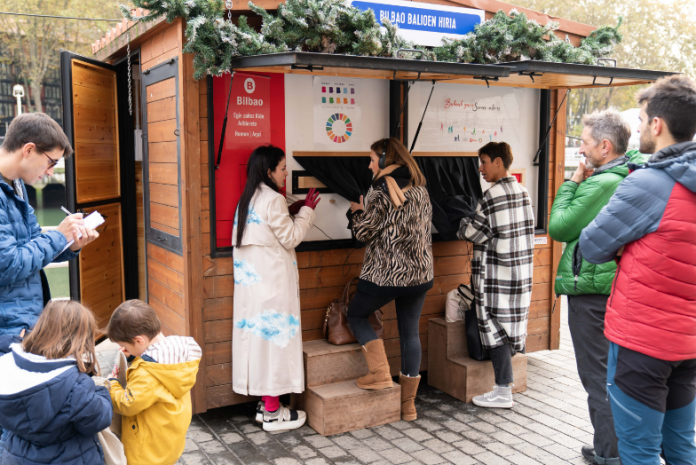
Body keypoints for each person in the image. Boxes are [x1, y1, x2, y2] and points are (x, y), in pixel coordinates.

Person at [580, 75, 696, 465]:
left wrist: (628, 245)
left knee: (639, 452)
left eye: (643, 120)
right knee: (681, 448)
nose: (640, 129)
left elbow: (592, 246)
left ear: (658, 125)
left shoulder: (649, 183)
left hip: (643, 344)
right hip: (688, 343)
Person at [549, 109, 648, 465]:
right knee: (614, 375)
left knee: (597, 378)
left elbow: (559, 227)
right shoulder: (631, 173)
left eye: (585, 143)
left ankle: (610, 455)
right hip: (616, 289)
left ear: (605, 146)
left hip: (591, 293)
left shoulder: (600, 183)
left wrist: (572, 182)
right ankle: (611, 444)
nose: (581, 150)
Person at [0, 113, 99, 453]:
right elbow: (7, 264)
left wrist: (70, 244)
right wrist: (57, 235)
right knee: (13, 425)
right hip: (7, 325)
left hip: (21, 319)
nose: (51, 172)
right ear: (29, 149)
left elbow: (30, 248)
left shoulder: (15, 186)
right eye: (51, 162)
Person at [232, 145, 320, 432]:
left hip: (252, 292)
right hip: (274, 289)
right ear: (269, 171)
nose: (286, 173)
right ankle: (272, 412)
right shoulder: (273, 199)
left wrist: (291, 210)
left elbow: (269, 232)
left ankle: (264, 405)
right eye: (283, 168)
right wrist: (307, 211)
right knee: (275, 344)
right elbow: (291, 238)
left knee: (260, 346)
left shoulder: (248, 199)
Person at [347, 137, 434, 421]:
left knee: (356, 315)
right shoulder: (420, 187)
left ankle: (380, 373)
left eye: (373, 159)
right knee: (410, 333)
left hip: (387, 274)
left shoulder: (379, 190)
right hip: (419, 274)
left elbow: (363, 233)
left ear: (385, 160)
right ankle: (408, 406)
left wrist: (356, 213)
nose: (369, 165)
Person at [457, 142, 535, 409]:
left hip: (495, 276)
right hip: (520, 273)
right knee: (511, 326)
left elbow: (474, 233)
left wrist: (462, 221)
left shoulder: (491, 196)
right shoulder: (523, 192)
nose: (480, 168)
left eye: (484, 161)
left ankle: (503, 391)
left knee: (495, 328)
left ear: (498, 162)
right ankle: (505, 386)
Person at [0, 300, 113, 465]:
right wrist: (101, 390)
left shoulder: (7, 368)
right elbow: (97, 420)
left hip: (18, 457)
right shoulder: (76, 386)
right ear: (81, 339)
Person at [105, 299, 202, 465]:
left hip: (146, 451)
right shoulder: (176, 353)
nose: (125, 348)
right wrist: (134, 356)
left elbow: (128, 403)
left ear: (139, 340)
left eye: (125, 345)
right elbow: (155, 368)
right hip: (167, 441)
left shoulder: (146, 374)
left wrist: (112, 384)